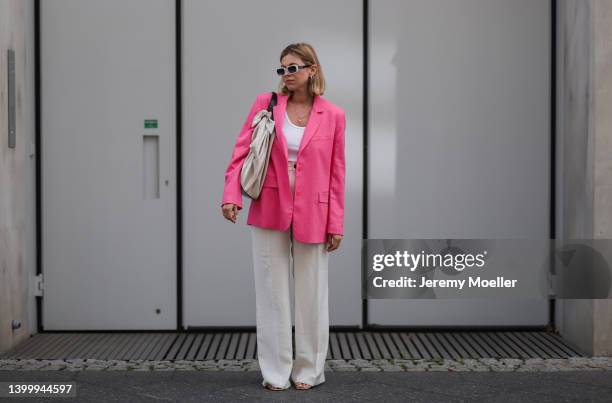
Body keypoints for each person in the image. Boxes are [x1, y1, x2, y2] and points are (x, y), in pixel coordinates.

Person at [221, 42, 346, 391]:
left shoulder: (334, 115)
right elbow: (241, 151)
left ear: (312, 70)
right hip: (270, 204)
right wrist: (231, 195)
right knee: (272, 292)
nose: (287, 75)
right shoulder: (266, 105)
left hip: (315, 211)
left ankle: (308, 370)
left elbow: (337, 172)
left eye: (293, 67)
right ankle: (275, 371)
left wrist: (336, 222)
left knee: (312, 294)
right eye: (282, 69)